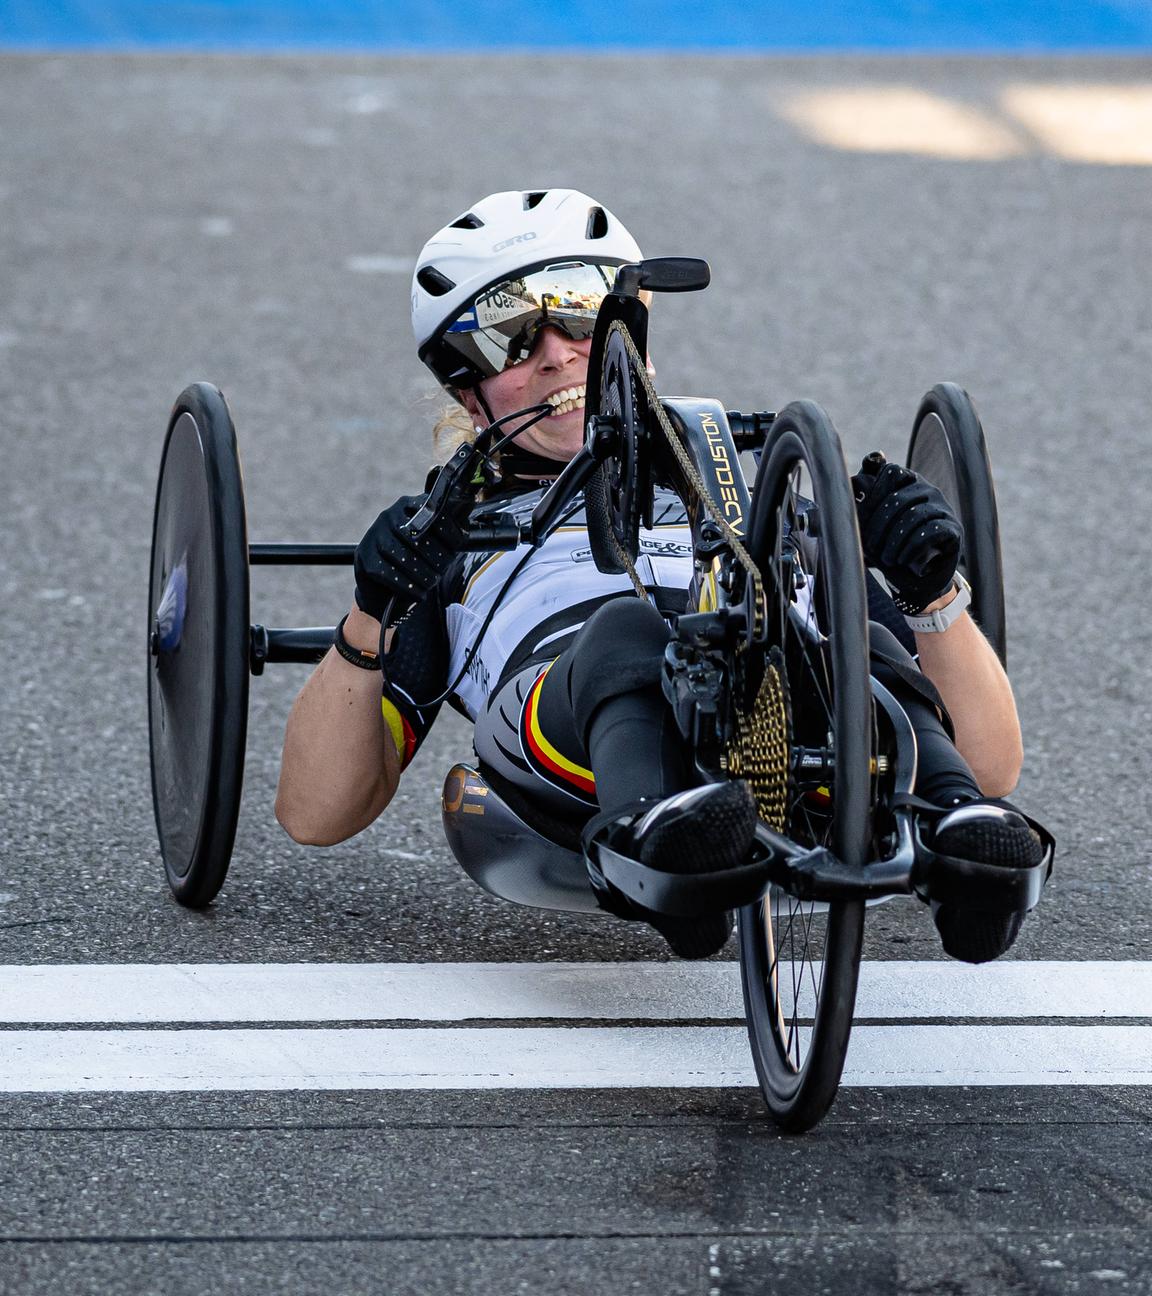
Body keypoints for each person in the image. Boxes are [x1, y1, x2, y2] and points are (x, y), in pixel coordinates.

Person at [276, 188, 1046, 963]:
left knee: (852, 639)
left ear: (633, 332)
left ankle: (961, 838)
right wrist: (369, 612)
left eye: (580, 311)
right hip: (564, 735)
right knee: (629, 627)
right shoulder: (442, 533)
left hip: (774, 716)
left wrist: (933, 591)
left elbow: (994, 762)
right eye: (507, 336)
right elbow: (315, 813)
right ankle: (662, 837)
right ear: (465, 390)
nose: (555, 350)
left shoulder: (753, 494)